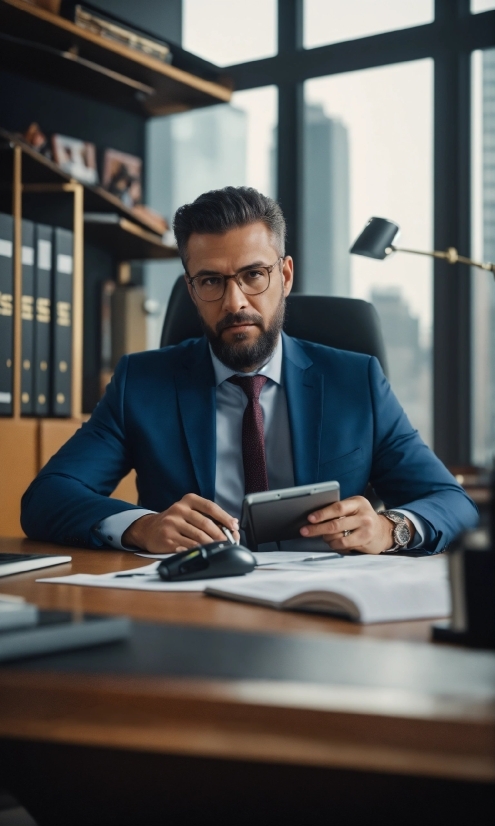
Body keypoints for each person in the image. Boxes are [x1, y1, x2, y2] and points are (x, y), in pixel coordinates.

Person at [21, 187, 477, 555]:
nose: (235, 302)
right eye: (212, 281)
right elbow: (48, 497)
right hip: (190, 608)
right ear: (192, 289)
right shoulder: (141, 384)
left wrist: (388, 528)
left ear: (286, 276)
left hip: (324, 609)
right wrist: (141, 526)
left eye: (253, 275)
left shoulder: (356, 381)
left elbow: (451, 502)